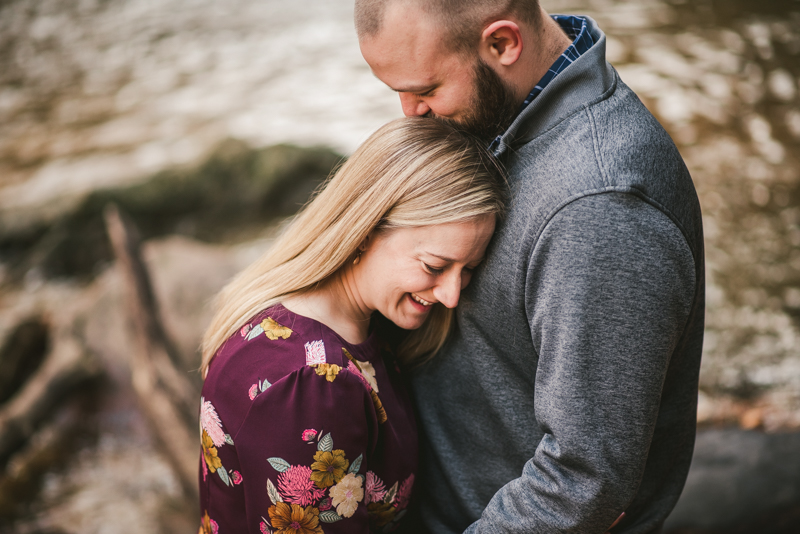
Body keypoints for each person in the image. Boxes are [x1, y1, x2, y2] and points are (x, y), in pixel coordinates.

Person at [355, 1, 704, 533]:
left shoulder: (599, 208)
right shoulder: (498, 118)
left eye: (426, 90)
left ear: (502, 44)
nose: (410, 112)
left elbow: (584, 479)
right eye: (397, 91)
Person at [196, 117, 506, 534]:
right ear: (365, 231)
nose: (452, 295)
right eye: (435, 265)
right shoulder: (309, 385)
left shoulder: (327, 322)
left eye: (467, 269)